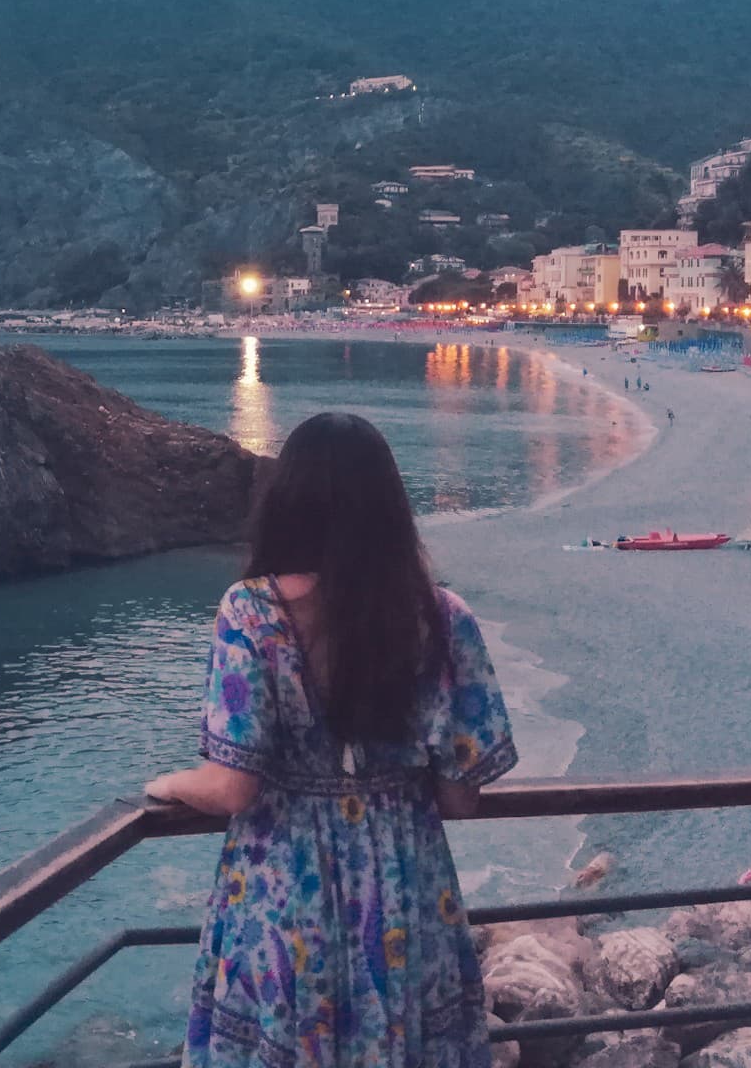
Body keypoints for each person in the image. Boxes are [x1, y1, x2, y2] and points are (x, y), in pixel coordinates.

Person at [146, 412, 517, 1067]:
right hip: (406, 895)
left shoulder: (252, 611)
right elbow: (460, 799)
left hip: (286, 892)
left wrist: (169, 783)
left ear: (289, 503)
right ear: (389, 508)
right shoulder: (441, 617)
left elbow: (232, 785)